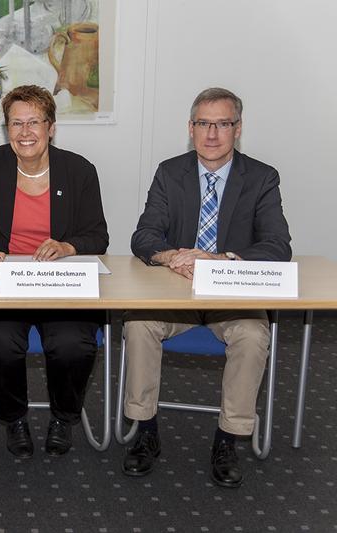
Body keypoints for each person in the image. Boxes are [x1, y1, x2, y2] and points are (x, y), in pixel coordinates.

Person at [122, 87, 292, 487]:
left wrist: (221, 260)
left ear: (237, 129)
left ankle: (228, 438)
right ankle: (145, 431)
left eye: (222, 124)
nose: (212, 134)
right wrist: (170, 256)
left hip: (232, 296)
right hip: (174, 293)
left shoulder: (262, 177)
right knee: (138, 325)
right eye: (203, 123)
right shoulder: (170, 172)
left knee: (253, 335)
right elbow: (144, 235)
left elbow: (278, 244)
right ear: (190, 128)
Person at [0, 85, 109, 458]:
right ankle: (14, 417)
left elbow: (97, 235)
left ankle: (63, 417)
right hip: (4, 283)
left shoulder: (79, 170)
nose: (25, 132)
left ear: (51, 127)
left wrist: (68, 246)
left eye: (34, 122)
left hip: (59, 284)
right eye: (16, 123)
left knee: (72, 343)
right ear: (6, 129)